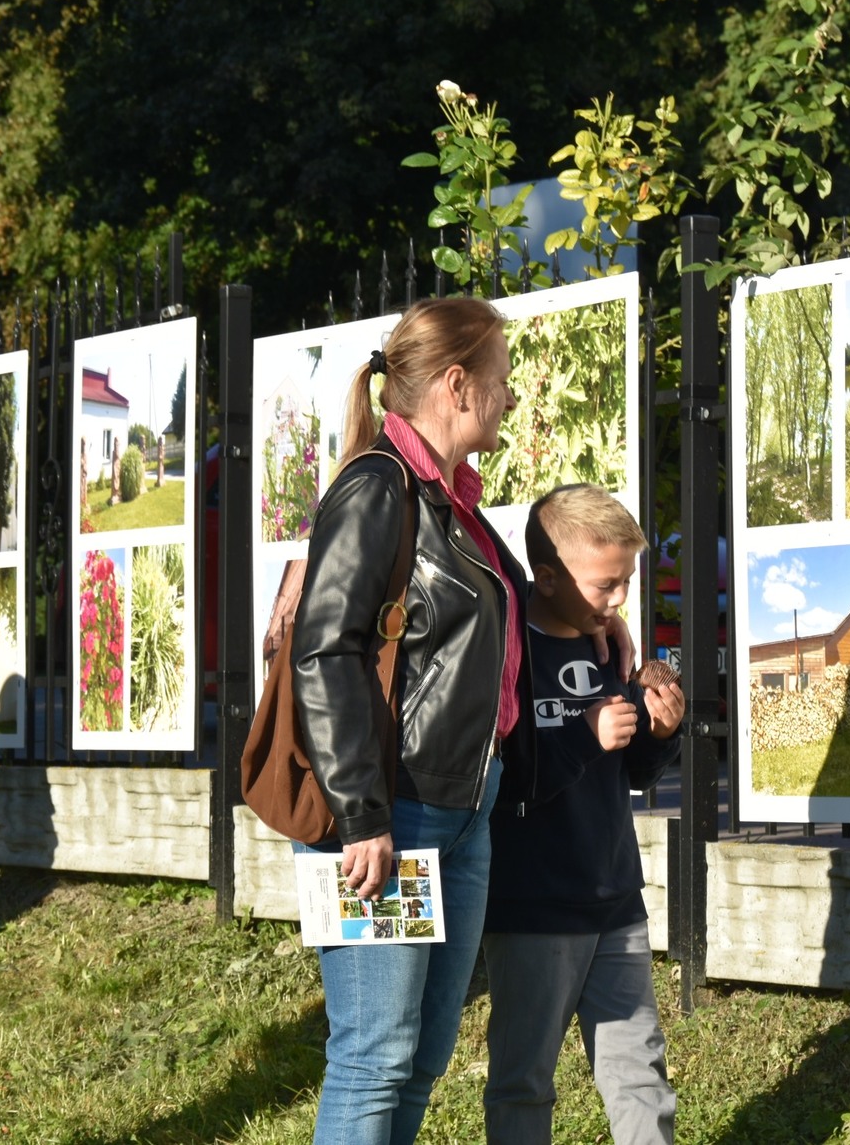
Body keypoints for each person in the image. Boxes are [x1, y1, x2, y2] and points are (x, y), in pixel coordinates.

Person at [290, 296, 531, 1143]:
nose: (509, 396)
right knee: (374, 1055)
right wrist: (362, 815)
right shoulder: (377, 486)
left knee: (422, 1057)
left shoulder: (451, 501)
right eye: (501, 378)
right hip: (389, 816)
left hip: (459, 817)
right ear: (457, 385)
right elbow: (325, 650)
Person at [482, 484, 681, 1145]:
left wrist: (659, 731)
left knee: (640, 1072)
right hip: (532, 909)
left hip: (616, 901)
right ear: (547, 578)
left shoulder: (608, 648)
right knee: (523, 1079)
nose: (619, 600)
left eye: (626, 581)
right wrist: (583, 735)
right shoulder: (509, 655)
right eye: (606, 585)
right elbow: (507, 782)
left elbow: (631, 774)